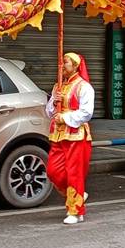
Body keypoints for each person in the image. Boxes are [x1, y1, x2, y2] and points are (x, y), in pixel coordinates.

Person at [46, 52, 94, 224]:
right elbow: (49, 112)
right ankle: (77, 196)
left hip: (76, 135)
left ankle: (75, 211)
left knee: (74, 174)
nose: (62, 66)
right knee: (53, 171)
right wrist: (54, 102)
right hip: (58, 135)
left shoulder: (84, 87)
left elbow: (87, 113)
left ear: (75, 66)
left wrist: (65, 117)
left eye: (65, 62)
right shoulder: (57, 86)